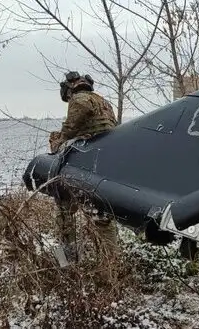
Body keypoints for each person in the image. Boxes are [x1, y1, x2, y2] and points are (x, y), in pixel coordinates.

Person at [49, 71, 119, 264]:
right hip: (103, 167)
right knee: (103, 218)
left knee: (64, 215)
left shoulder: (79, 99)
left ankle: (66, 263)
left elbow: (68, 131)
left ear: (69, 88)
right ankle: (112, 266)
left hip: (84, 167)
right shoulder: (104, 103)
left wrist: (56, 143)